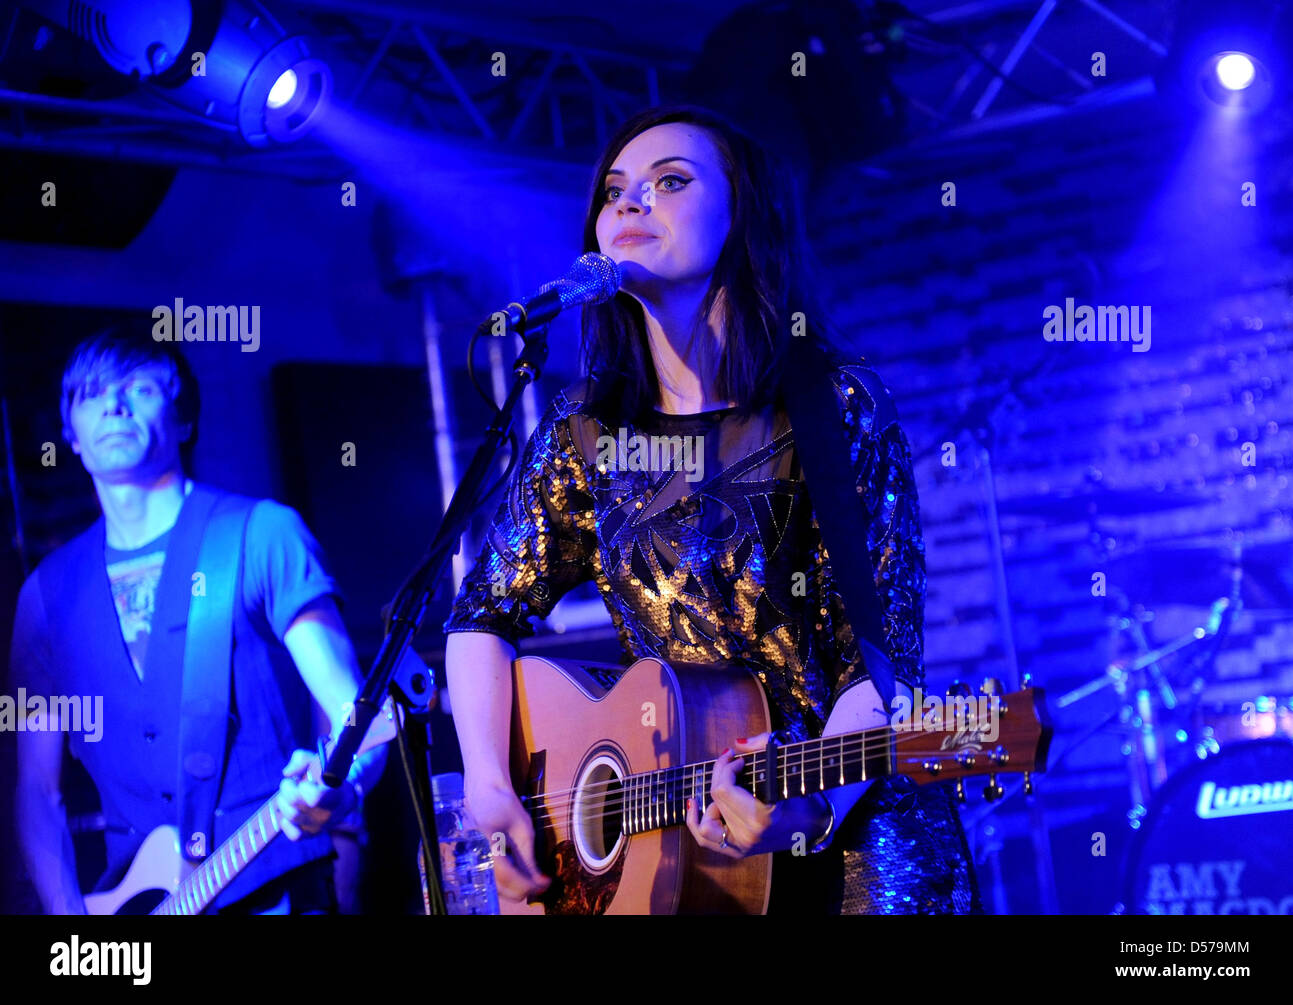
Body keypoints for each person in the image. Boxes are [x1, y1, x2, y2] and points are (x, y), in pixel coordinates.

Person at [443, 104, 982, 914]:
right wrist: (492, 788)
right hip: (682, 869)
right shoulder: (586, 429)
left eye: (670, 182)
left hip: (861, 853)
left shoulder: (835, 407)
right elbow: (481, 613)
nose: (629, 204)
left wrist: (806, 807)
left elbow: (877, 662)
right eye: (615, 190)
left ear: (745, 213)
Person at [11, 330, 385, 914]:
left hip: (274, 889)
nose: (114, 404)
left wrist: (339, 790)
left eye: (137, 387)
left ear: (184, 419)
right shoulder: (43, 596)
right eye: (91, 393)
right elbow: (36, 790)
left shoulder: (263, 534)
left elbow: (356, 717)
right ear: (71, 437)